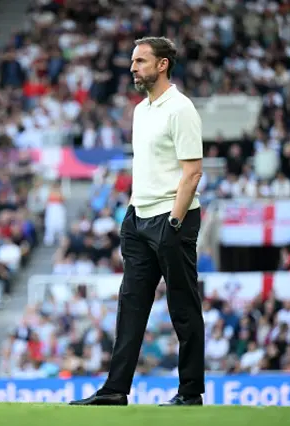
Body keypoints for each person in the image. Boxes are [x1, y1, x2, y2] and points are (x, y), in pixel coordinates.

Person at [69, 37, 205, 406]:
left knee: (183, 308)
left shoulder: (181, 109)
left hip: (172, 220)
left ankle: (190, 393)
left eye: (141, 61)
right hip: (139, 218)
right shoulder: (141, 110)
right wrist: (131, 214)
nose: (133, 67)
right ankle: (115, 390)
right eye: (133, 61)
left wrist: (173, 224)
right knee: (130, 305)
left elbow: (192, 173)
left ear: (162, 65)